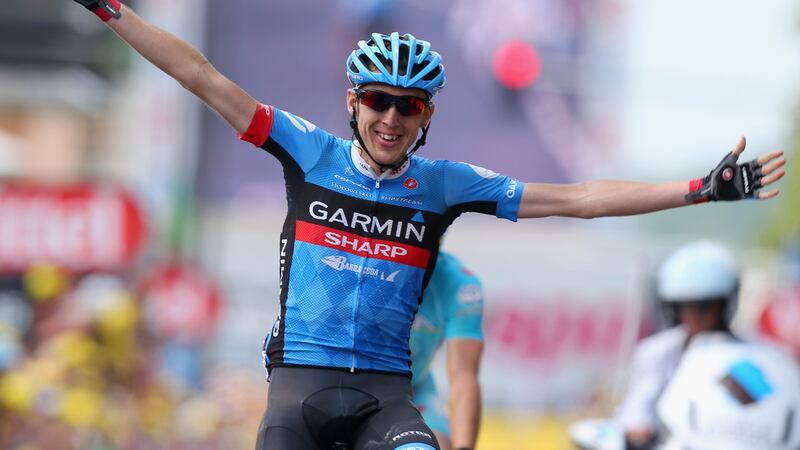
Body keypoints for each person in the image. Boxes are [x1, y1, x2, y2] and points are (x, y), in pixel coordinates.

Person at [69, 2, 786, 449]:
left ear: (428, 116)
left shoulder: (446, 186)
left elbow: (580, 199)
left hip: (388, 397)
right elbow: (200, 75)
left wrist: (698, 190)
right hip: (297, 395)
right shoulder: (306, 151)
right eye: (378, 100)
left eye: (408, 107)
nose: (390, 118)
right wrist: (109, 8)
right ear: (353, 102)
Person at [615, 241, 744, 450]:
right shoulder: (658, 353)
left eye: (706, 306)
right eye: (684, 306)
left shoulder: (746, 354)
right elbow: (639, 405)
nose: (694, 315)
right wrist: (638, 429)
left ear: (725, 305)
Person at [410, 252, 484, 450]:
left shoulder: (460, 284)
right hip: (346, 384)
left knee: (437, 444)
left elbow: (463, 376)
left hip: (415, 390)